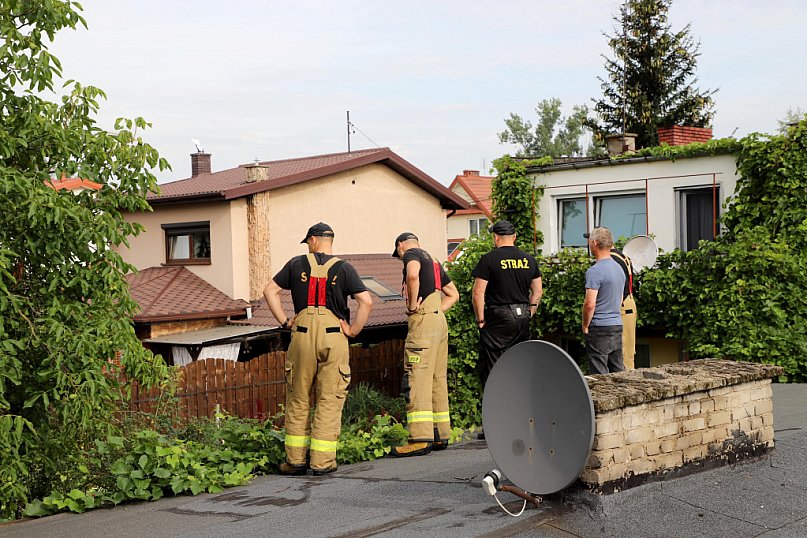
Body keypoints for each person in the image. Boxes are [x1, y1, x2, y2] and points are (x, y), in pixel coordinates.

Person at [264, 222, 373, 475]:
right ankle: (322, 463)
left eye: (308, 242)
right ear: (330, 240)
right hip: (333, 334)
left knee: (299, 398)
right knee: (329, 399)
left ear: (313, 240)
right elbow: (366, 301)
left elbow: (269, 290)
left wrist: (284, 321)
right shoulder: (344, 268)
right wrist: (354, 330)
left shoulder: (295, 264)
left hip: (301, 334)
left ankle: (295, 461)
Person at [390, 232, 459, 457]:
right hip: (439, 320)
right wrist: (436, 310)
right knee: (437, 379)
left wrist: (412, 305)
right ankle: (440, 434)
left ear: (400, 246)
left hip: (423, 321)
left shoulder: (411, 254)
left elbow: (412, 276)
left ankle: (419, 438)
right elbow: (453, 294)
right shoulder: (435, 261)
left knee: (417, 377)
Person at [472, 220, 543, 386]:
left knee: (494, 366)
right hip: (523, 316)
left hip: (499, 318)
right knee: (520, 361)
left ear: (496, 238)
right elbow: (537, 291)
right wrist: (530, 310)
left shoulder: (489, 259)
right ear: (515, 237)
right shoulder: (529, 260)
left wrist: (480, 319)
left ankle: (497, 405)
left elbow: (478, 292)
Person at [581, 227, 626, 375]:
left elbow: (589, 304)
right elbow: (619, 300)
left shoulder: (595, 271)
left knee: (600, 374)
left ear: (594, 243)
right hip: (616, 324)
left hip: (599, 327)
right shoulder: (619, 268)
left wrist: (585, 325)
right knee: (618, 372)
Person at [609, 247, 637, 369]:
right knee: (628, 349)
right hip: (629, 303)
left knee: (624, 352)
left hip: (622, 306)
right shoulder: (623, 256)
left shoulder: (612, 259)